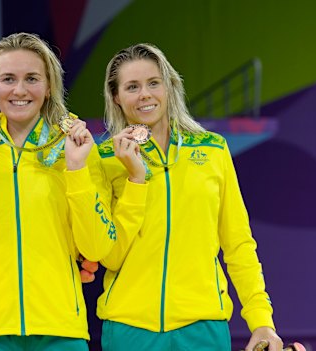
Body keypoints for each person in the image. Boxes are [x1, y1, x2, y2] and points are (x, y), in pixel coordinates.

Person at [93, 43, 283, 351]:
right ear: (115, 96)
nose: (145, 94)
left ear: (169, 86)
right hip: (129, 330)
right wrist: (133, 178)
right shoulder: (102, 159)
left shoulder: (213, 150)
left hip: (203, 329)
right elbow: (109, 255)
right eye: (132, 86)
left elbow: (238, 245)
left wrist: (262, 319)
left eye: (154, 83)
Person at [0, 32, 116, 351]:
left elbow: (96, 248)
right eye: (8, 78)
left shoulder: (79, 151)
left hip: (61, 331)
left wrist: (77, 170)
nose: (20, 90)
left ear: (49, 86)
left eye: (32, 78)